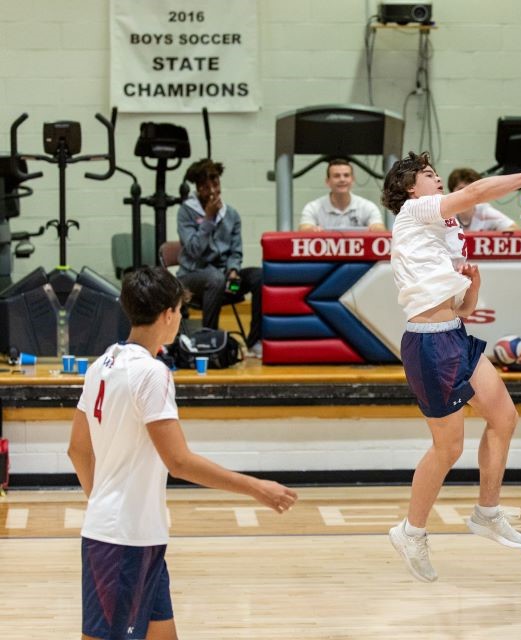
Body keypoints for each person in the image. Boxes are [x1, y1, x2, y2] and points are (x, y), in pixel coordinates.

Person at [67, 266, 296, 640]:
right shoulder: (152, 373)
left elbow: (77, 450)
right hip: (123, 541)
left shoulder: (101, 365)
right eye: (180, 312)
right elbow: (179, 461)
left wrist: (101, 500)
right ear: (169, 315)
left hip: (137, 536)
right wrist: (256, 487)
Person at [382, 151, 521, 582]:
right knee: (448, 448)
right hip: (428, 344)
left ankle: (486, 513)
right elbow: (478, 190)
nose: (437, 180)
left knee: (504, 417)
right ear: (411, 188)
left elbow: (463, 309)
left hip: (454, 334)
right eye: (429, 176)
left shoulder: (446, 230)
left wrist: (474, 287)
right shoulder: (414, 211)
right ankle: (411, 531)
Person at [176, 158, 263, 357]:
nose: (213, 190)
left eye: (215, 184)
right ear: (198, 188)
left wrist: (233, 270)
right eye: (206, 187)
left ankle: (255, 340)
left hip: (222, 277)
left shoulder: (231, 214)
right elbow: (193, 250)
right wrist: (208, 219)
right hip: (192, 277)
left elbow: (235, 251)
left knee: (260, 276)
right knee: (215, 278)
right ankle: (209, 341)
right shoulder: (186, 212)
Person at [300, 158, 387, 231]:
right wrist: (311, 230)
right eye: (336, 176)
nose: (342, 179)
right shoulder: (313, 208)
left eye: (346, 175)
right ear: (327, 181)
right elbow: (303, 230)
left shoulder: (368, 206)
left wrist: (376, 228)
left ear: (352, 180)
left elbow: (380, 229)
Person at [447, 167, 518, 231]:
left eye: (471, 190)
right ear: (452, 192)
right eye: (461, 189)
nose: (466, 194)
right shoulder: (444, 212)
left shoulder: (484, 211)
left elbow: (514, 229)